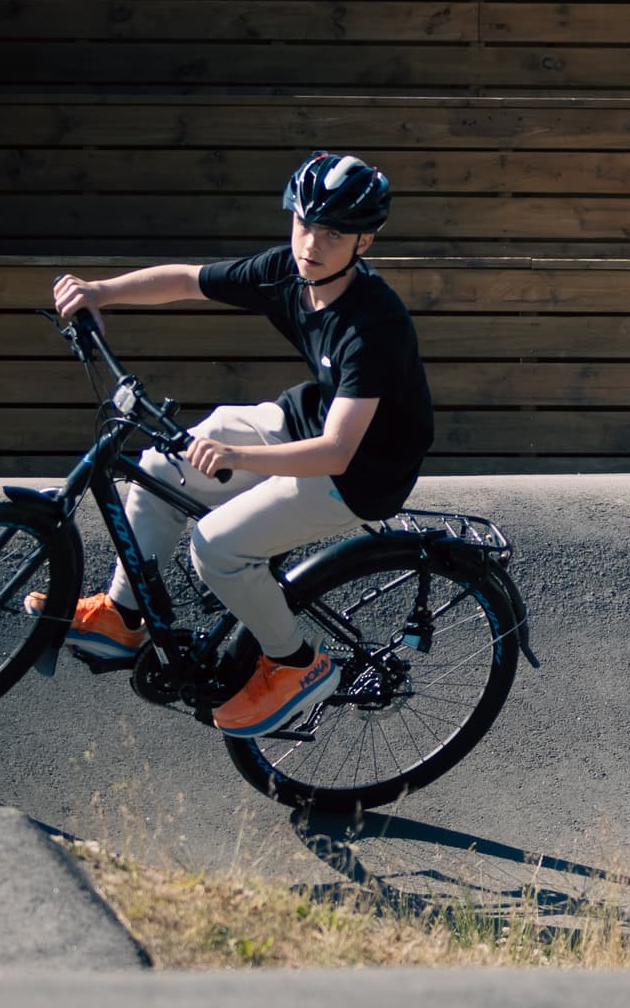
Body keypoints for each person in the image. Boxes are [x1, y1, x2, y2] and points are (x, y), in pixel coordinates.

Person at [44, 150, 438, 737]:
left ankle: (297, 664)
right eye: (303, 223)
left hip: (362, 471)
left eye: (332, 233)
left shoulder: (372, 325)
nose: (311, 243)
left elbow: (337, 453)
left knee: (218, 549)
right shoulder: (289, 273)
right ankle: (123, 619)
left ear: (365, 243)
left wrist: (236, 460)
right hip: (311, 420)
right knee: (163, 463)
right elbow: (185, 280)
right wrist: (99, 292)